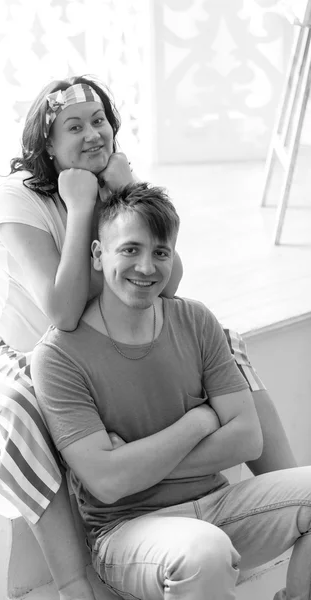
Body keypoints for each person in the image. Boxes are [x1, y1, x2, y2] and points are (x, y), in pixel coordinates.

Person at [0, 75, 296, 600]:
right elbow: (62, 313)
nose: (93, 134)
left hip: (95, 330)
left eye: (99, 121)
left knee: (219, 337)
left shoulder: (112, 181)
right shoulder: (15, 199)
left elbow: (166, 282)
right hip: (18, 346)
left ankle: (283, 490)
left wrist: (121, 189)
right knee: (24, 406)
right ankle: (73, 581)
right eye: (74, 126)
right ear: (46, 143)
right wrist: (85, 205)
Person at [31, 182, 311, 600]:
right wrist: (200, 421)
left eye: (160, 253)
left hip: (220, 506)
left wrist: (132, 464)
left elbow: (247, 438)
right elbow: (107, 487)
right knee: (203, 552)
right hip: (128, 533)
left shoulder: (195, 320)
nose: (146, 267)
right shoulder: (58, 357)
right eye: (130, 249)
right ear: (96, 254)